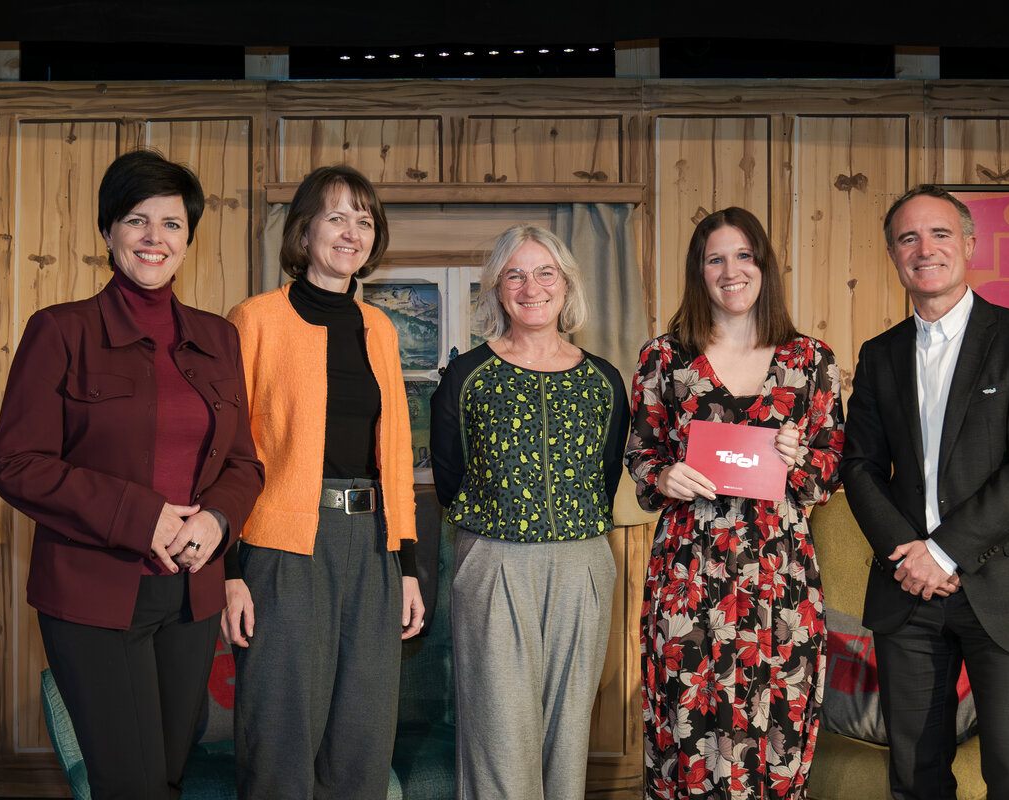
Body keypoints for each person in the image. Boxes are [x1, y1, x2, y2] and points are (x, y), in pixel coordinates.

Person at [0, 149, 264, 799]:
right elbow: (16, 464)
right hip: (94, 596)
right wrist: (144, 517)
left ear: (189, 239)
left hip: (191, 598)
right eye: (137, 221)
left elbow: (245, 462)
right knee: (131, 784)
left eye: (171, 224)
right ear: (108, 231)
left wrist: (219, 521)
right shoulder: (60, 331)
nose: (154, 238)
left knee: (166, 774)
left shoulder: (218, 339)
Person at [841, 185, 1009, 800]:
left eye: (940, 234)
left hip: (1006, 591)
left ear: (969, 244)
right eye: (907, 238)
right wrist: (908, 556)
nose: (925, 248)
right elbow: (859, 467)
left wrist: (941, 553)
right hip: (906, 592)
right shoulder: (879, 355)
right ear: (893, 256)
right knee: (915, 779)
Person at [219, 164, 424, 800]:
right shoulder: (253, 320)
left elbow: (394, 452)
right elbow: (224, 450)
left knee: (362, 739)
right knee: (279, 735)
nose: (351, 232)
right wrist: (228, 572)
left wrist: (408, 565)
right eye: (336, 216)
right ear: (305, 231)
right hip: (281, 546)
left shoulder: (381, 329)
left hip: (372, 547)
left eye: (365, 221)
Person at [625, 207, 844, 800]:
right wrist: (664, 474)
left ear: (764, 266)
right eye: (715, 258)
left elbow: (830, 471)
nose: (731, 270)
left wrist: (800, 459)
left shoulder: (811, 361)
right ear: (699, 272)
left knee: (779, 723)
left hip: (781, 577)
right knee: (686, 728)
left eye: (744, 255)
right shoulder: (664, 358)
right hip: (689, 572)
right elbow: (640, 453)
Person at [429, 224, 630, 800]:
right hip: (493, 560)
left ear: (566, 286)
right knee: (498, 734)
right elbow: (450, 476)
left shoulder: (604, 381)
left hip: (584, 564)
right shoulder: (467, 376)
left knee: (567, 735)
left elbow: (607, 472)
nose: (531, 286)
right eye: (514, 274)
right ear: (496, 289)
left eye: (545, 272)